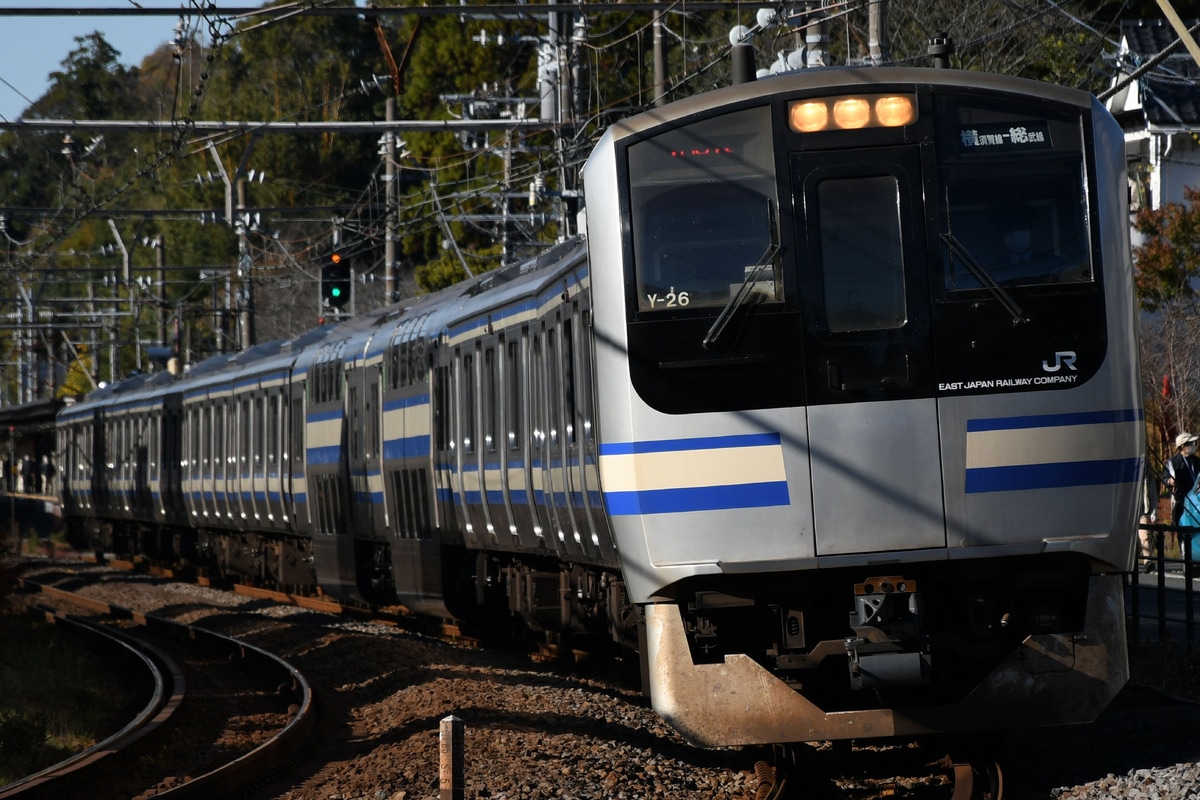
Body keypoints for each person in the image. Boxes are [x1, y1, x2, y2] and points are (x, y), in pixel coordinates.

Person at [1163, 432, 1200, 553]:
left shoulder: (1196, 461)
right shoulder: (1173, 462)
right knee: (1182, 527)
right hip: (1181, 500)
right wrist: (1170, 481)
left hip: (1196, 500)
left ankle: (1196, 552)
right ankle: (1184, 554)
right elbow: (1165, 478)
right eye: (1190, 443)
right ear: (1183, 446)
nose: (1193, 445)